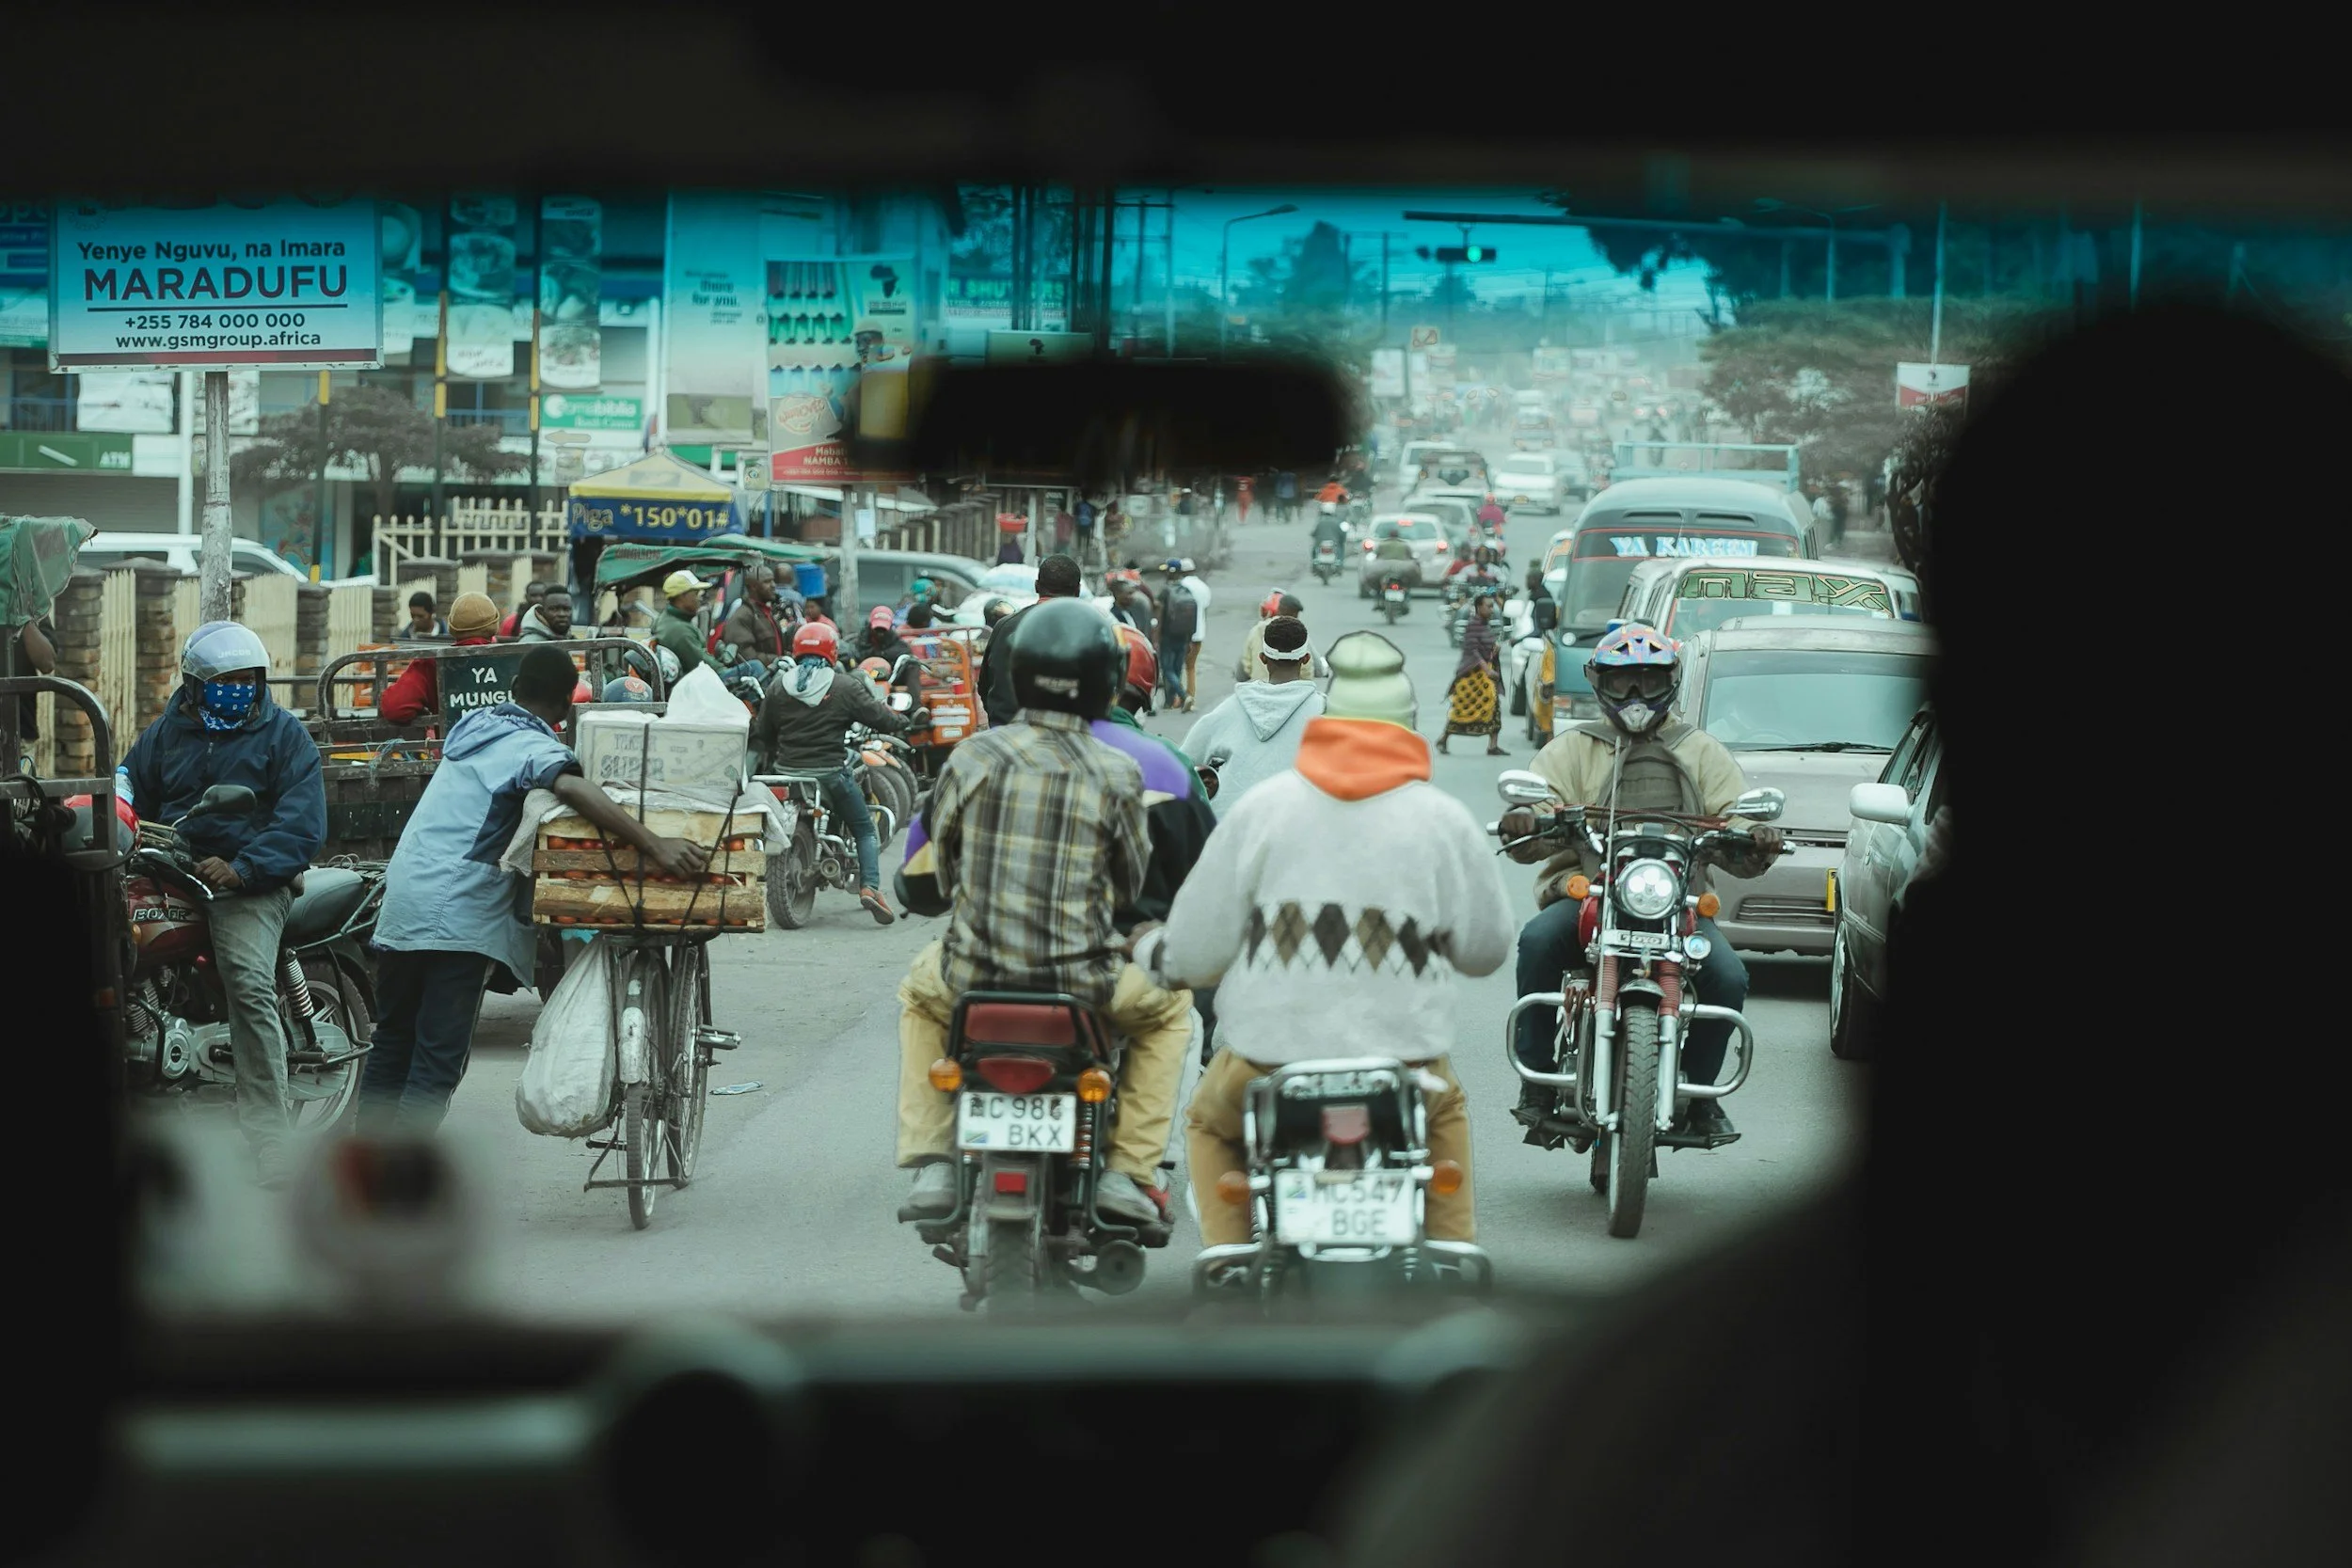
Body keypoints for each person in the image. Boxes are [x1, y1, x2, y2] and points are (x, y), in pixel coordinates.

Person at [1134, 629, 1514, 1253]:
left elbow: (1197, 953)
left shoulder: (1263, 809)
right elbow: (1486, 949)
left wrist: (1157, 954)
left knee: (1206, 1120)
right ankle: (1451, 1255)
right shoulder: (1443, 818)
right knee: (1444, 1114)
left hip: (1269, 1060)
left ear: (1329, 719)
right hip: (1405, 1062)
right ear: (1409, 725)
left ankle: (1229, 1257)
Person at [889, 600, 1193, 1224]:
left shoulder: (972, 756)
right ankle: (1129, 1173)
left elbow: (937, 872)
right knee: (1172, 1011)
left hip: (973, 978)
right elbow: (1129, 884)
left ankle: (933, 1160)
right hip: (1086, 987)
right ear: (1108, 683)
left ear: (1017, 673)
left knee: (919, 996)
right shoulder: (1120, 771)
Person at [360, 645, 706, 1134]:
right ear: (567, 703)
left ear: (516, 689)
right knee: (436, 1059)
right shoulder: (532, 747)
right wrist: (655, 845)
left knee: (394, 1040)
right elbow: (572, 788)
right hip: (457, 912)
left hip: (403, 898)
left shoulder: (473, 727)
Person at [1500, 622, 1782, 1139]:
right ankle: (1536, 1083)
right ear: (1599, 683)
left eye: (1648, 682)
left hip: (1681, 904)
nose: (1635, 695)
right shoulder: (1571, 748)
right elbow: (1538, 807)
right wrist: (1526, 821)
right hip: (1591, 895)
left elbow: (1737, 817)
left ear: (1670, 683)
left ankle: (1700, 1096)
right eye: (1623, 681)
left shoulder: (1701, 751)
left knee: (1728, 977)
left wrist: (1755, 837)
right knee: (1538, 941)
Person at [118, 621, 326, 1187]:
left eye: (247, 678)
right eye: (225, 679)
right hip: (174, 864)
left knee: (248, 981)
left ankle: (270, 1137)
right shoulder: (168, 732)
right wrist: (115, 804)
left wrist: (243, 868)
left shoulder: (285, 735)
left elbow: (302, 824)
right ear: (194, 684)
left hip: (251, 880)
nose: (239, 687)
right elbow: (129, 779)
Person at [751, 619, 922, 925]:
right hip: (829, 773)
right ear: (832, 651)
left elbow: (764, 732)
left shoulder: (778, 686)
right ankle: (870, 887)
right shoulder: (843, 686)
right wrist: (903, 720)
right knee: (865, 828)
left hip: (786, 773)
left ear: (797, 651)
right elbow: (879, 716)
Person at [1188, 616, 1325, 817]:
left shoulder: (1230, 708)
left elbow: (1185, 759)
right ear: (1305, 659)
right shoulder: (1325, 712)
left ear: (1263, 658)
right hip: (1299, 827)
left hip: (1234, 828)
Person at [977, 553, 1082, 729]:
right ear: (1078, 591)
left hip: (1006, 736)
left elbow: (985, 687)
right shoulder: (1089, 630)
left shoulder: (1005, 626)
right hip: (1064, 739)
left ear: (1036, 586)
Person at [380, 591, 501, 726]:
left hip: (454, 745)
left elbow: (395, 708)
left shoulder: (431, 663)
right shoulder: (513, 659)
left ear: (452, 627)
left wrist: (423, 710)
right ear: (494, 625)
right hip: (508, 745)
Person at [1438, 590, 1508, 758]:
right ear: (1479, 607)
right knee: (1463, 711)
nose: (1492, 610)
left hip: (1486, 676)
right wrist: (1487, 670)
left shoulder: (1484, 625)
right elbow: (1473, 652)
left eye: (1493, 607)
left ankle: (1493, 745)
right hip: (1472, 677)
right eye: (1489, 606)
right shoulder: (1473, 625)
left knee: (1494, 710)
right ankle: (1444, 738)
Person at [1233, 592, 1331, 682]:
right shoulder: (1298, 633)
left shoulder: (1256, 631)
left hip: (1259, 691)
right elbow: (1317, 669)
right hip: (1297, 693)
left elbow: (1243, 670)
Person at [655, 568, 725, 677]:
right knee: (754, 668)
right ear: (682, 596)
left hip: (690, 683)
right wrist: (726, 670)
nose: (699, 598)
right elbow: (704, 666)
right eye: (696, 593)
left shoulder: (669, 620)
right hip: (693, 687)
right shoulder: (679, 630)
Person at [719, 563, 790, 666]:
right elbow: (744, 656)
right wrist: (776, 660)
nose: (773, 585)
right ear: (753, 587)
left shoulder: (767, 612)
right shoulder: (742, 616)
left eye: (773, 580)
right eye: (767, 582)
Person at [1154, 560, 1200, 713]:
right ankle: (1168, 702)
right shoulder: (1186, 590)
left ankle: (1183, 696)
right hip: (1184, 637)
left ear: (1169, 573)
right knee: (1177, 669)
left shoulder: (1165, 591)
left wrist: (1156, 637)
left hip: (1167, 636)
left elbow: (1159, 616)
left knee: (1167, 669)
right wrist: (1190, 639)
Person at [857, 605, 921, 695]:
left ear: (890, 627)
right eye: (877, 629)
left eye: (883, 629)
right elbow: (858, 654)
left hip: (890, 677)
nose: (880, 633)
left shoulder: (897, 642)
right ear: (870, 625)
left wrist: (882, 655)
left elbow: (905, 652)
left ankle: (915, 707)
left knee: (912, 665)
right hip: (864, 678)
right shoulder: (861, 640)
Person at [1309, 499, 1348, 568]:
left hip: (1320, 543)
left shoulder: (1320, 521)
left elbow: (1314, 533)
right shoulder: (1337, 522)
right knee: (1341, 548)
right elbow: (1341, 533)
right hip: (1334, 543)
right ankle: (1340, 562)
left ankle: (1314, 563)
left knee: (1314, 550)